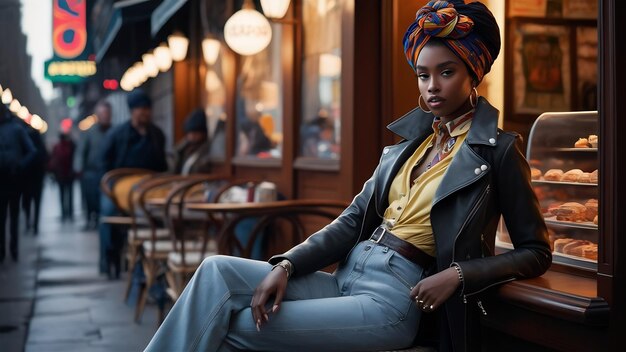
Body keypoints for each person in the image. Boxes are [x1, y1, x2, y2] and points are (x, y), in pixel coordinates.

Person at [144, 1, 552, 351]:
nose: (432, 86)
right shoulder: (408, 146)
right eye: (423, 75)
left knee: (236, 327)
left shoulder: (498, 151)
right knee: (216, 271)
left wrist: (460, 274)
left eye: (446, 72)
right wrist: (286, 266)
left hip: (394, 299)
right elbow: (352, 220)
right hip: (348, 274)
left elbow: (536, 251)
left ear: (472, 73)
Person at [99, 89, 167, 278]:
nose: (144, 112)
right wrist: (110, 185)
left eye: (147, 108)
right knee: (108, 213)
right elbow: (104, 162)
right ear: (132, 111)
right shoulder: (117, 134)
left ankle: (151, 261)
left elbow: (162, 165)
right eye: (140, 108)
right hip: (118, 185)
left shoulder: (157, 134)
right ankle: (109, 256)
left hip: (149, 187)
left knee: (160, 212)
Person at [0, 103, 36, 262]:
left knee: (12, 215)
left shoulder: (16, 129)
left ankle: (10, 249)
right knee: (7, 216)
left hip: (13, 178)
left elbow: (32, 151)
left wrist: (20, 165)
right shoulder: (16, 129)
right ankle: (6, 250)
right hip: (8, 178)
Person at [74, 99, 112, 230]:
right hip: (91, 171)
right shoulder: (89, 132)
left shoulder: (114, 132)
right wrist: (79, 168)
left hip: (108, 172)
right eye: (102, 114)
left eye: (107, 114)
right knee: (90, 197)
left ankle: (102, 218)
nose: (105, 117)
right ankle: (91, 218)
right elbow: (81, 151)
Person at [19, 118, 48, 235]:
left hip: (27, 178)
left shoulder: (26, 146)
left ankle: (28, 223)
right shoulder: (39, 147)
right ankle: (35, 225)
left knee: (27, 202)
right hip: (37, 178)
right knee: (37, 202)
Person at [172, 108, 212, 175]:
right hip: (179, 183)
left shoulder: (207, 151)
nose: (192, 136)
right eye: (189, 132)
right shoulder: (182, 149)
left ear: (203, 133)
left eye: (196, 132)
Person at [48, 132, 76, 221]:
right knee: (69, 195)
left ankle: (64, 213)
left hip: (61, 175)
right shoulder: (70, 146)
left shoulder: (57, 147)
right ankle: (70, 213)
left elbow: (54, 160)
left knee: (62, 195)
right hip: (68, 174)